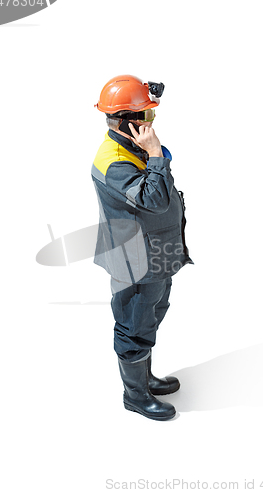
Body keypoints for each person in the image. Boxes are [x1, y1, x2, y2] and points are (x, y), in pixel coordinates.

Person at [91, 75, 193, 420]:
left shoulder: (131, 149)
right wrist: (153, 154)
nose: (151, 123)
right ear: (126, 121)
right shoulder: (114, 162)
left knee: (151, 315)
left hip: (155, 256)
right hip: (133, 261)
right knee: (134, 324)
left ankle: (144, 378)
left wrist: (151, 154)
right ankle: (135, 395)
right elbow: (156, 199)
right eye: (146, 116)